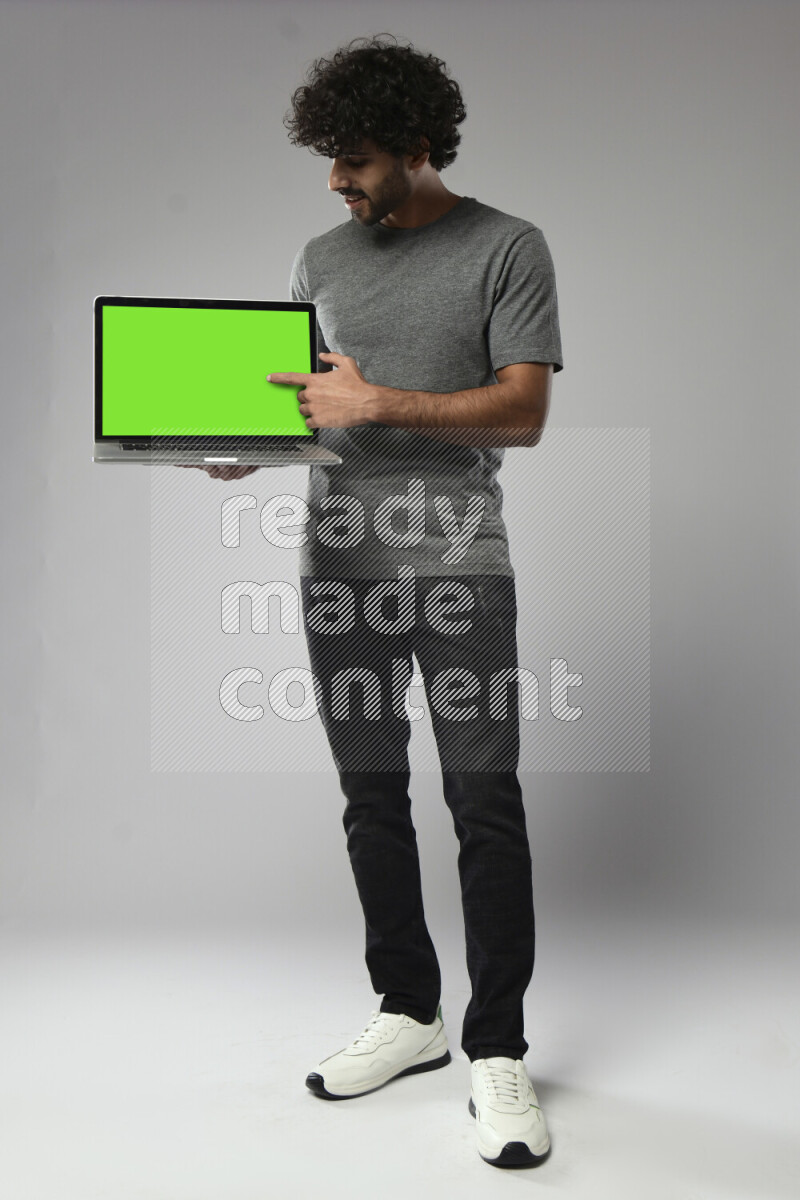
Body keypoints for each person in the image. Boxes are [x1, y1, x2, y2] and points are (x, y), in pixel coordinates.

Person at [201, 34, 563, 1169]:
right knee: (370, 801)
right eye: (327, 161)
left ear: (415, 148)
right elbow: (323, 410)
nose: (335, 182)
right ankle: (407, 1012)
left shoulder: (508, 247)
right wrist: (246, 443)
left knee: (481, 802)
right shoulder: (318, 256)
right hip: (337, 571)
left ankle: (493, 1047)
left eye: (353, 160)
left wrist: (376, 401)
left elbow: (521, 414)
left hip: (458, 568)